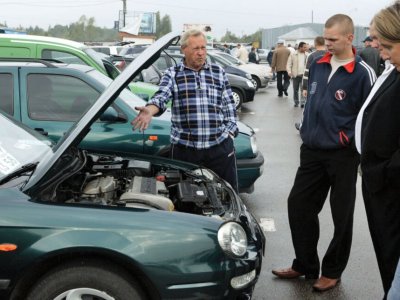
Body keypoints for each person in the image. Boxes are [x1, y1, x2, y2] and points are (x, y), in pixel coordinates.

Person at [271, 14, 376, 292]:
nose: (326, 44)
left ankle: (332, 271)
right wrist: (306, 128)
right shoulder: (316, 63)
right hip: (312, 151)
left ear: (349, 38)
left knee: (342, 216)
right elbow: (311, 100)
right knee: (299, 205)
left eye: (332, 39)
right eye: (325, 38)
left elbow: (370, 117)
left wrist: (348, 139)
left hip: (343, 155)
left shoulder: (363, 73)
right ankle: (305, 264)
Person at [131, 29, 239, 192]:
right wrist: (150, 110)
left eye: (203, 48)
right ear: (184, 49)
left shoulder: (218, 72)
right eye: (196, 49)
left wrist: (230, 132)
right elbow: (161, 97)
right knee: (186, 198)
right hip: (186, 151)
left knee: (228, 194)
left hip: (219, 148)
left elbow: (229, 105)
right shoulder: (173, 74)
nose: (201, 53)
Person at [355, 1, 400, 298]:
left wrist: (382, 172)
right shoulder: (394, 69)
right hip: (380, 182)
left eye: (386, 45)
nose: (379, 50)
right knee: (387, 257)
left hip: (391, 186)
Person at [295, 36, 327, 130]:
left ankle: (303, 125)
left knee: (309, 106)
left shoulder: (311, 56)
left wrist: (304, 87)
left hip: (313, 85)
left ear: (315, 43)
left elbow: (306, 73)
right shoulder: (330, 54)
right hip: (326, 85)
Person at [286, 41, 308, 107]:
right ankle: (296, 102)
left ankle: (302, 102)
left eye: (306, 47)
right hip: (295, 75)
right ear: (300, 47)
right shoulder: (293, 54)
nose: (306, 48)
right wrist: (289, 72)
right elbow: (288, 64)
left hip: (304, 76)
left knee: (303, 90)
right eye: (304, 47)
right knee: (295, 90)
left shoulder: (307, 55)